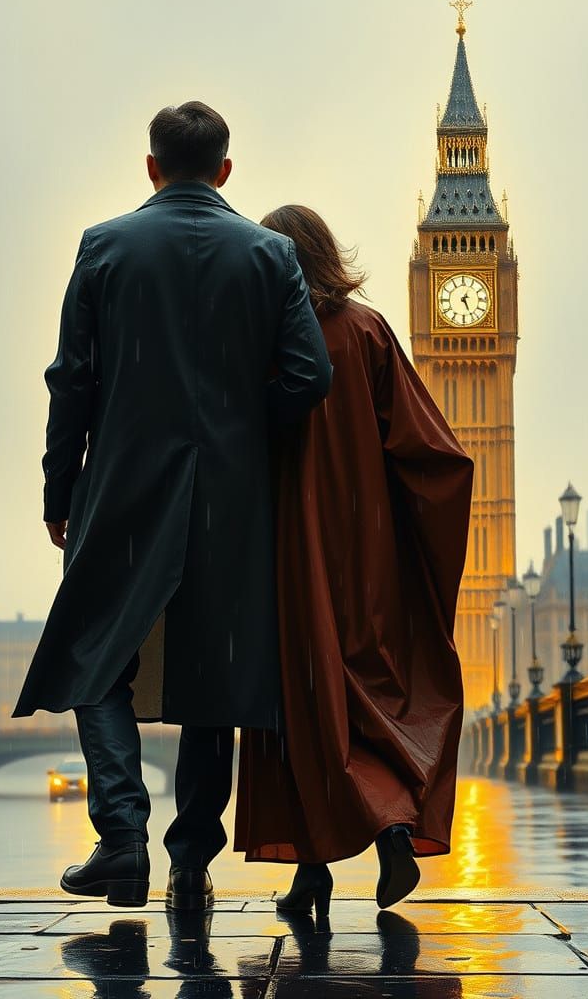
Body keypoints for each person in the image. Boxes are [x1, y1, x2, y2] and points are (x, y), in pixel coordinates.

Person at [13, 105, 333, 909]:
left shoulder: (105, 246)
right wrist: (232, 426)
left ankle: (122, 837)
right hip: (231, 495)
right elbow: (308, 377)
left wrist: (60, 489)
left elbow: (71, 382)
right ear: (225, 171)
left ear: (151, 167)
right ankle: (191, 858)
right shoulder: (271, 256)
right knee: (212, 672)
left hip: (121, 486)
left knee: (94, 653)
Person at [234, 205, 473, 913]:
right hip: (366, 558)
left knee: (298, 708)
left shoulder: (264, 342)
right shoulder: (367, 332)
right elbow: (434, 454)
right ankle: (388, 830)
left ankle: (314, 869)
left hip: (286, 560)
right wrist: (406, 535)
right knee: (372, 700)